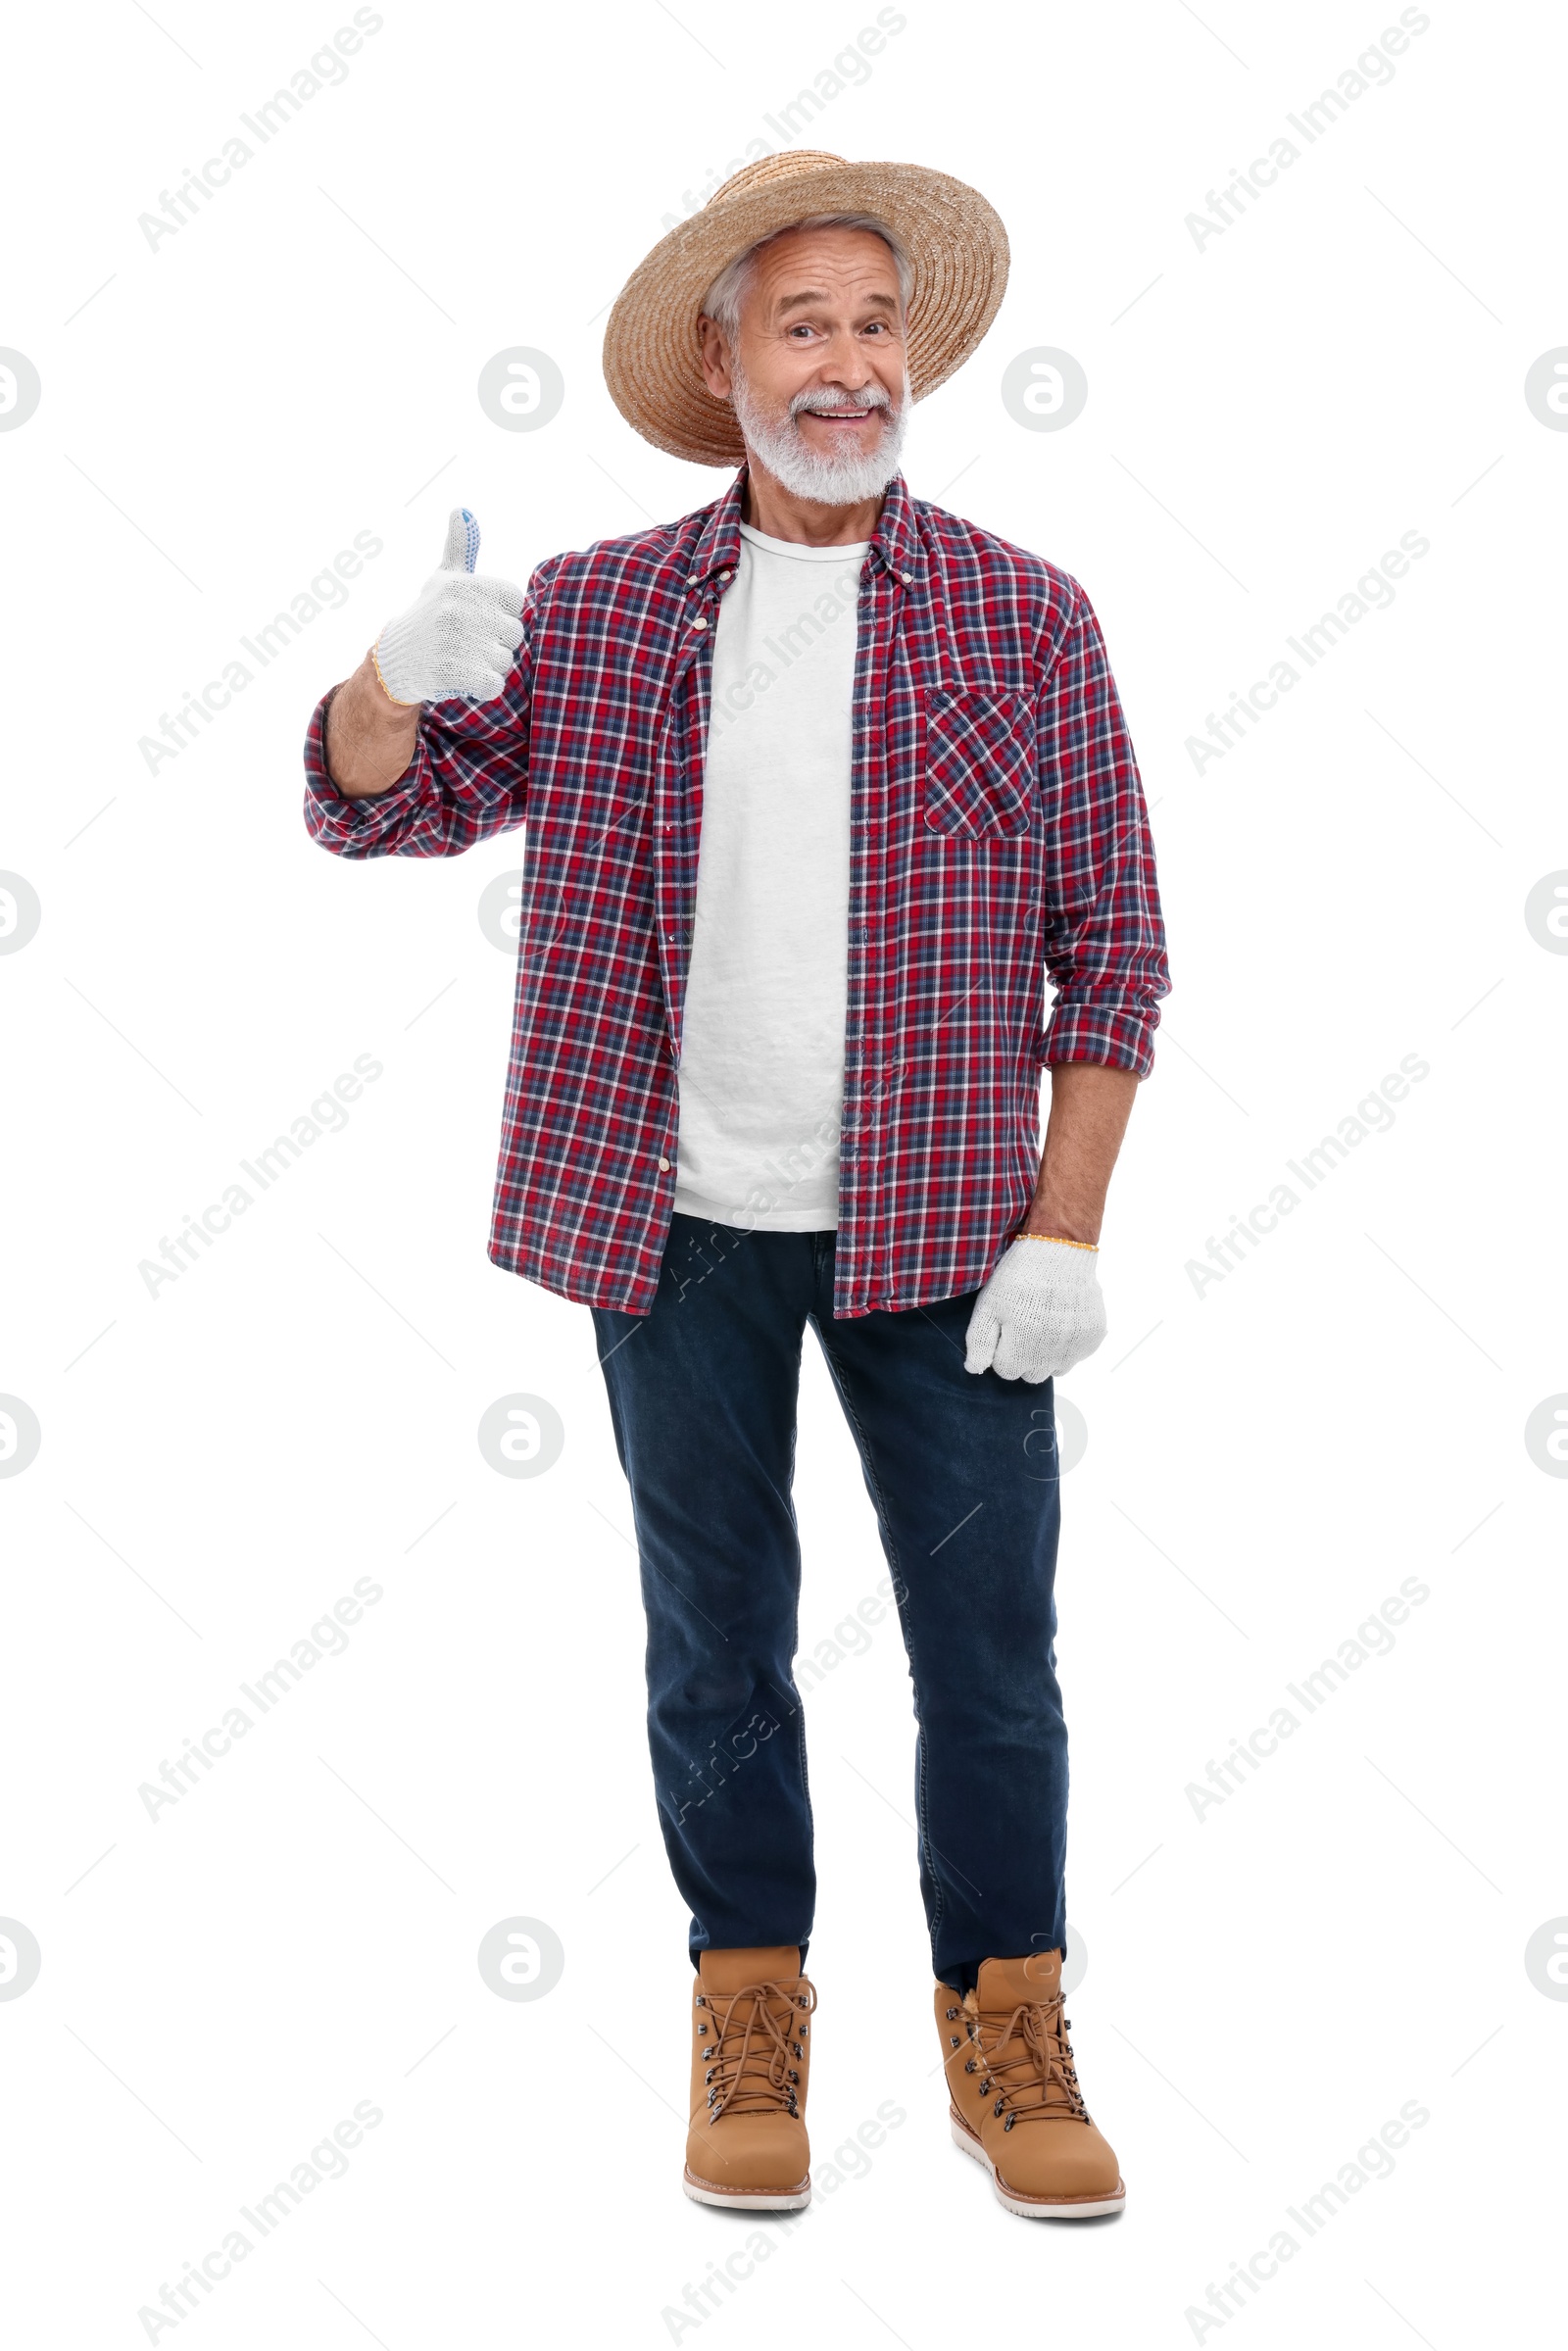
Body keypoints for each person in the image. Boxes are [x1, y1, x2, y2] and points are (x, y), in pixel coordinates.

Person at [303, 150, 1169, 2222]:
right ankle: (748, 1994)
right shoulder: (600, 613)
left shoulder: (1023, 615)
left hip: (950, 1234)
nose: (850, 366)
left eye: (876, 326)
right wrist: (388, 673)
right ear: (725, 359)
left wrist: (1067, 1226)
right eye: (805, 326)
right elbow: (369, 814)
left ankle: (1005, 2014)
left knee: (987, 1646)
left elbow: (1114, 946)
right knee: (715, 1641)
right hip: (665, 1226)